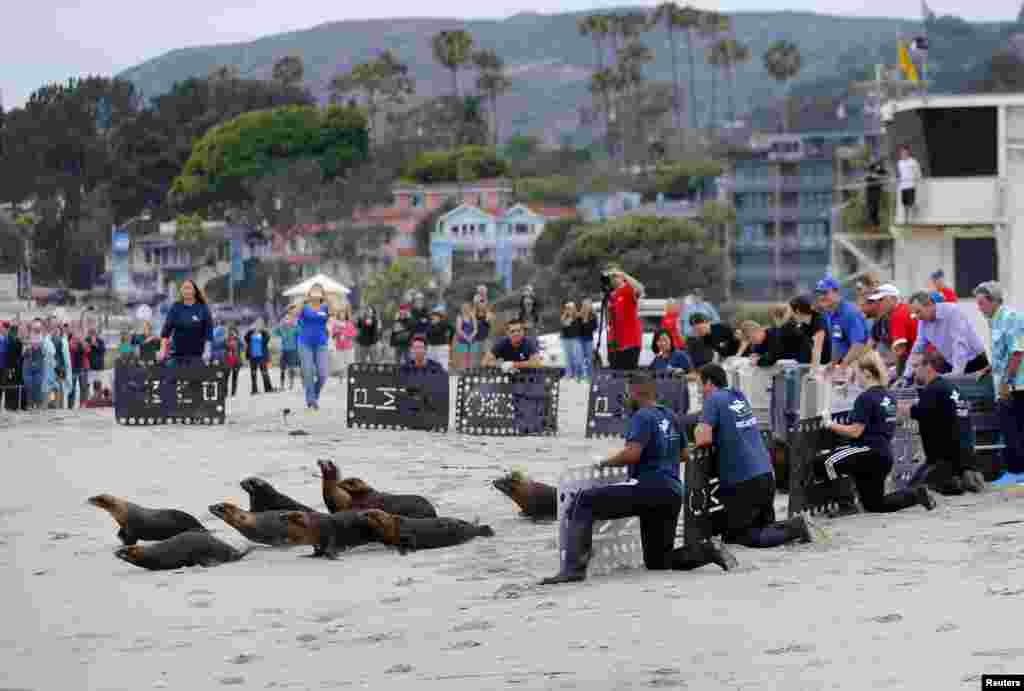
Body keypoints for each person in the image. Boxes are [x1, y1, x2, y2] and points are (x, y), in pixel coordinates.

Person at [541, 372, 695, 584]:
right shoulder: (671, 415)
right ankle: (707, 551)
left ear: (635, 393)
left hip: (648, 487)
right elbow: (685, 455)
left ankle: (573, 569)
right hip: (673, 492)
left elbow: (632, 455)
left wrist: (604, 463)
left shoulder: (642, 416)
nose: (625, 399)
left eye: (626, 394)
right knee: (660, 561)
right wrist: (660, 456)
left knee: (583, 501)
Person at [669, 364, 815, 570]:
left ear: (709, 383)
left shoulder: (713, 399)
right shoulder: (738, 395)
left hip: (744, 481)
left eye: (701, 385)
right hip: (765, 474)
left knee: (739, 536)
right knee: (763, 527)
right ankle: (794, 526)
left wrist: (693, 434)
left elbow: (703, 438)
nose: (700, 391)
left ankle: (796, 528)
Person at [818, 351, 936, 513]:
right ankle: (915, 495)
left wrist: (830, 424)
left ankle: (845, 504)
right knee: (875, 504)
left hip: (866, 452)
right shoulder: (888, 396)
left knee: (824, 463)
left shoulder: (865, 398)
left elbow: (855, 432)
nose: (854, 377)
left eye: (856, 373)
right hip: (884, 456)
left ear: (866, 373)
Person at [896, 351, 986, 494]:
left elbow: (913, 411)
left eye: (916, 366)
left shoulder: (933, 390)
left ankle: (955, 480)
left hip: (944, 460)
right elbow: (930, 408)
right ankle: (964, 475)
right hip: (968, 457)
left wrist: (889, 406)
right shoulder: (952, 388)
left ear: (929, 367)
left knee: (911, 489)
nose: (913, 371)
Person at [973, 281, 1024, 487]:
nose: (979, 308)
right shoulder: (994, 320)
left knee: (1015, 429)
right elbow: (1002, 353)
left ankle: (1017, 471)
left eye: (982, 303)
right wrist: (989, 368)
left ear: (994, 301)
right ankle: (1014, 470)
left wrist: (1006, 382)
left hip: (1017, 385)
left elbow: (1017, 352)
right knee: (1008, 427)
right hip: (1004, 383)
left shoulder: (1011, 318)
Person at [902, 291, 989, 382]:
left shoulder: (952, 311)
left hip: (976, 361)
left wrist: (957, 374)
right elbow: (917, 350)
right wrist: (906, 376)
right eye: (915, 313)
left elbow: (960, 344)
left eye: (918, 311)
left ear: (930, 304)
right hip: (952, 364)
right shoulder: (922, 322)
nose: (917, 316)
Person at [815, 277, 868, 373]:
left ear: (836, 292)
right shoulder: (830, 314)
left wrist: (842, 367)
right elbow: (838, 342)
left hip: (864, 365)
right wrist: (833, 363)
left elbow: (858, 345)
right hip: (850, 365)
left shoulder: (850, 312)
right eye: (819, 293)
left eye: (825, 293)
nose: (821, 297)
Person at [159, 279, 213, 367]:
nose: (187, 291)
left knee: (195, 378)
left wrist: (207, 352)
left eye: (189, 288)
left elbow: (209, 333)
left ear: (195, 291)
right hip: (177, 355)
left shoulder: (203, 308)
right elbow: (166, 331)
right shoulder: (175, 307)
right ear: (181, 291)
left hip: (197, 355)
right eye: (184, 288)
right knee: (168, 378)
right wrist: (162, 350)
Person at [866, 284, 918, 375]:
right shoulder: (902, 308)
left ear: (893, 299)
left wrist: (898, 376)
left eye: (881, 300)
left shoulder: (897, 315)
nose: (878, 303)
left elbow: (900, 353)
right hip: (919, 359)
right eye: (877, 301)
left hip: (919, 362)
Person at [298, 284, 333, 410]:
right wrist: (304, 300)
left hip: (321, 343)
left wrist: (327, 298)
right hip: (305, 343)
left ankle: (314, 394)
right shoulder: (305, 307)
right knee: (308, 371)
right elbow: (296, 314)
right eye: (314, 291)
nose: (316, 294)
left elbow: (334, 312)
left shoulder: (324, 307)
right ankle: (311, 399)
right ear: (310, 293)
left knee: (323, 374)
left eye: (318, 292)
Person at [605, 266, 645, 370]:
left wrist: (623, 274)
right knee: (616, 377)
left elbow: (640, 288)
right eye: (611, 276)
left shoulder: (628, 289)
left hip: (630, 342)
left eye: (615, 276)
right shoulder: (612, 295)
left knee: (629, 376)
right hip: (615, 343)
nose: (613, 279)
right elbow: (610, 321)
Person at [789, 295, 831, 367]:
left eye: (791, 311)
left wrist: (812, 371)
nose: (790, 314)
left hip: (830, 364)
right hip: (817, 363)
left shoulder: (819, 322)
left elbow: (817, 350)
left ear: (797, 311)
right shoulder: (803, 324)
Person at [274, 307, 300, 391]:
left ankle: (291, 384)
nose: (287, 320)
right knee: (282, 368)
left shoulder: (295, 328)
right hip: (284, 350)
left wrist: (296, 324)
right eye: (286, 319)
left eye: (288, 319)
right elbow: (275, 332)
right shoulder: (282, 328)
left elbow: (300, 332)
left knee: (291, 368)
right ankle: (282, 385)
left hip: (292, 350)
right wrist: (280, 325)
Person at [244, 321, 275, 395]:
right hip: (253, 357)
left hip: (262, 356)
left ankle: (268, 388)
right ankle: (254, 390)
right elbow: (245, 337)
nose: (256, 328)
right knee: (253, 374)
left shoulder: (263, 334)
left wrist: (262, 330)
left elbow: (268, 337)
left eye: (258, 327)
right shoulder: (250, 335)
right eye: (255, 326)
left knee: (265, 373)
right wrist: (251, 330)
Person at [897, 144, 922, 223]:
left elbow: (918, 173)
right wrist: (899, 182)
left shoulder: (913, 161)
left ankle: (913, 219)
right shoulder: (899, 163)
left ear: (908, 152)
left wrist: (918, 180)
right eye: (901, 152)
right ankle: (906, 221)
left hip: (911, 185)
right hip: (903, 186)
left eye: (904, 152)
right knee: (905, 206)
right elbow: (900, 174)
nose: (903, 154)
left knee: (911, 204)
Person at [560, 301, 584, 381]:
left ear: (574, 308)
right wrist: (566, 314)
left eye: (570, 308)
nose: (568, 309)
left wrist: (575, 315)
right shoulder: (564, 317)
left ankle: (578, 374)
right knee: (568, 358)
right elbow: (564, 323)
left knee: (577, 358)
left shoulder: (578, 316)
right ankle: (569, 373)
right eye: (567, 308)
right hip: (566, 340)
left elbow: (583, 322)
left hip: (576, 339)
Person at [331, 303, 357, 379]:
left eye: (343, 314)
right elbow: (333, 336)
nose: (342, 315)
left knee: (349, 363)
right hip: (339, 347)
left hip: (348, 347)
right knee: (340, 364)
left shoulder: (349, 324)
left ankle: (349, 377)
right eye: (340, 314)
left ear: (345, 315)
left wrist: (347, 335)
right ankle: (342, 377)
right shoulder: (336, 324)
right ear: (338, 315)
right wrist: (337, 332)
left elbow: (354, 334)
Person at [426, 307, 454, 372]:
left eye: (435, 316)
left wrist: (449, 341)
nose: (433, 317)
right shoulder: (430, 324)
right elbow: (427, 334)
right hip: (432, 347)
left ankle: (443, 380)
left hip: (442, 347)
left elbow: (452, 330)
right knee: (431, 366)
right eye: (432, 316)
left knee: (443, 366)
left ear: (439, 317)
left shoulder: (444, 323)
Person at [454, 303, 479, 371]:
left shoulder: (473, 316)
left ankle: (471, 370)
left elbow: (476, 329)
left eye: (467, 308)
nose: (466, 309)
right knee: (463, 356)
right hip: (462, 339)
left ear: (469, 308)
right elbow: (459, 329)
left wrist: (471, 336)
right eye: (464, 308)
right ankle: (464, 370)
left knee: (472, 356)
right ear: (462, 309)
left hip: (472, 338)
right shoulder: (459, 317)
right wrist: (466, 337)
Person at [577, 301, 598, 380]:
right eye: (584, 306)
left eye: (587, 306)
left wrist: (586, 321)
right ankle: (580, 376)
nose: (586, 307)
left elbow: (593, 327)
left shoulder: (593, 316)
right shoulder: (579, 316)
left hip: (588, 340)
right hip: (580, 340)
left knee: (589, 359)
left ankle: (590, 377)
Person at [864, 159, 886, 229]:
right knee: (870, 209)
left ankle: (876, 226)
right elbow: (866, 177)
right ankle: (871, 225)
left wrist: (877, 176)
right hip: (869, 192)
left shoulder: (880, 170)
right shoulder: (869, 168)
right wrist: (871, 175)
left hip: (877, 192)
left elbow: (886, 176)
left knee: (875, 209)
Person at [472, 299, 493, 368]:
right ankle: (476, 370)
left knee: (487, 355)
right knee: (476, 356)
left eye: (483, 304)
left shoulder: (488, 313)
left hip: (486, 337)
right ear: (477, 305)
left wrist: (487, 318)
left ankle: (487, 369)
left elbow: (488, 322)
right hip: (476, 338)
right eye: (480, 304)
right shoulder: (474, 314)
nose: (481, 305)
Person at [224, 327, 242, 397]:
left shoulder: (238, 340)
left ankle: (233, 393)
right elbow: (225, 346)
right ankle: (225, 393)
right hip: (228, 361)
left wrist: (237, 337)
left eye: (233, 332)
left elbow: (243, 345)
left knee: (235, 378)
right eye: (230, 332)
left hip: (236, 362)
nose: (232, 333)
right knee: (226, 378)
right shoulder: (226, 339)